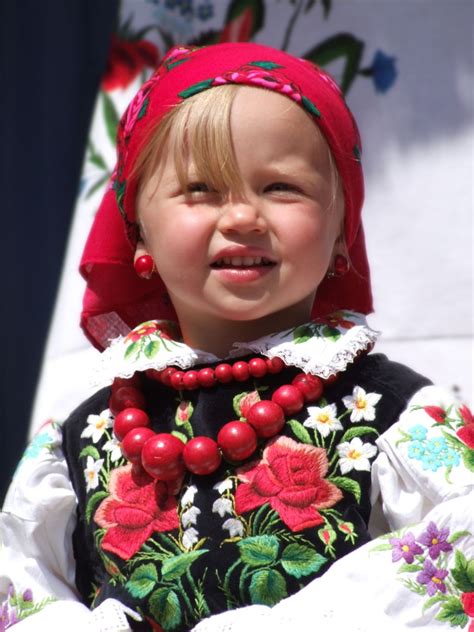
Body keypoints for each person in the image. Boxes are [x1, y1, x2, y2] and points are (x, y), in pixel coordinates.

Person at [1, 43, 472, 632]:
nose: (243, 217)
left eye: (281, 188)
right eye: (200, 189)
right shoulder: (83, 442)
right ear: (138, 232)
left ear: (341, 231)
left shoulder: (400, 417)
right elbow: (24, 595)